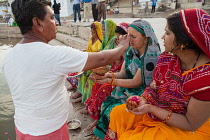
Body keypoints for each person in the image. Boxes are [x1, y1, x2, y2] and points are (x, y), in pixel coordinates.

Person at [2, 0, 130, 139]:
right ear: (38, 23)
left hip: (23, 127)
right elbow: (102, 59)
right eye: (51, 18)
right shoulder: (54, 55)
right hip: (49, 131)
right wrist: (122, 47)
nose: (56, 22)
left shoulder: (9, 57)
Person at [105, 9, 210, 140]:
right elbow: (153, 88)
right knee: (118, 113)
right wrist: (142, 99)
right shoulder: (166, 60)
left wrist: (151, 109)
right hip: (159, 110)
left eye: (167, 33)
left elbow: (190, 123)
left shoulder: (205, 79)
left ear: (184, 41)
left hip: (188, 127)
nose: (162, 37)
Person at [93, 19, 161, 139]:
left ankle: (116, 134)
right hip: (127, 89)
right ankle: (105, 130)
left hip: (143, 93)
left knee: (113, 110)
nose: (129, 39)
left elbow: (136, 82)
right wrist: (110, 75)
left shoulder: (150, 57)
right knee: (106, 102)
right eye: (128, 35)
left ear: (145, 38)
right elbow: (123, 73)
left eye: (133, 37)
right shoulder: (131, 51)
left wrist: (111, 80)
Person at [83, 22, 130, 131]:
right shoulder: (120, 47)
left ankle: (98, 120)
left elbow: (126, 75)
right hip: (116, 74)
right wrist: (106, 76)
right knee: (97, 83)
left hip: (125, 82)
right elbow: (117, 65)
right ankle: (94, 112)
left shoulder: (132, 52)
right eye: (117, 37)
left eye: (120, 38)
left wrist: (108, 79)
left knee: (104, 88)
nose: (118, 40)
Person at [71, 19, 117, 103]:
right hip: (100, 64)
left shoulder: (113, 41)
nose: (103, 32)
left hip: (109, 68)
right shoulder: (106, 41)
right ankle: (82, 93)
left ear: (110, 29)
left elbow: (113, 60)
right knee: (83, 71)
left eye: (104, 30)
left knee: (91, 76)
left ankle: (87, 100)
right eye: (102, 30)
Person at [69, 21, 103, 101]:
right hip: (88, 59)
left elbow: (98, 54)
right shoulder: (91, 39)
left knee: (84, 72)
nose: (92, 34)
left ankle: (82, 93)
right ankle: (78, 89)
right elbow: (88, 49)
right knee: (75, 68)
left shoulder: (100, 42)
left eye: (94, 32)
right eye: (91, 32)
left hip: (94, 61)